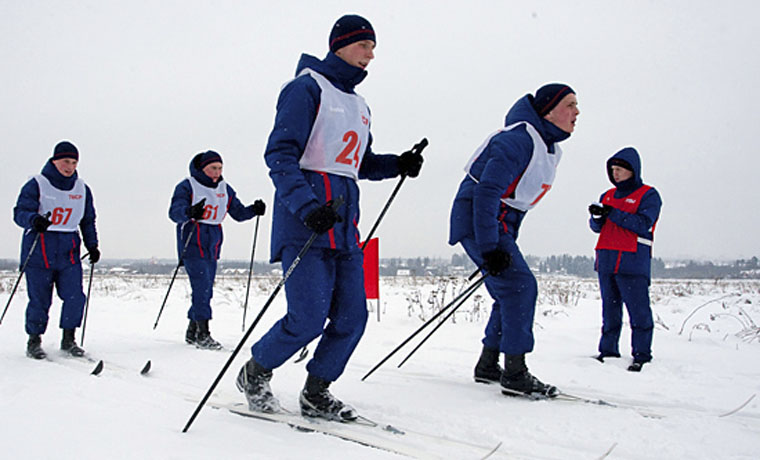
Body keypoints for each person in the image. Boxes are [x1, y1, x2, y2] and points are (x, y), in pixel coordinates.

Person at [237, 14, 424, 421]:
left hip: (344, 229)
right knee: (307, 318)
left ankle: (317, 391)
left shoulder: (359, 104)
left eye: (373, 49)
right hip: (305, 224)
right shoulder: (305, 88)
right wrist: (306, 207)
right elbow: (280, 155)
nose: (371, 55)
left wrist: (398, 163)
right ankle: (255, 372)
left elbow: (361, 162)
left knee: (352, 317)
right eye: (364, 46)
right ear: (340, 44)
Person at [449, 84, 579, 397]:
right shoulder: (518, 140)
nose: (577, 113)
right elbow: (486, 193)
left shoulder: (547, 147)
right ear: (548, 110)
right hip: (480, 219)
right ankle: (516, 372)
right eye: (570, 105)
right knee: (521, 286)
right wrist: (491, 247)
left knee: (509, 290)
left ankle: (488, 364)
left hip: (500, 223)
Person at [168, 150, 266, 349]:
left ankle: (192, 329)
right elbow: (174, 213)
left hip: (213, 242)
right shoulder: (187, 186)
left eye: (220, 168)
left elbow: (237, 213)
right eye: (213, 168)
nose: (217, 172)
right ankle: (203, 333)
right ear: (202, 169)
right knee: (202, 287)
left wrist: (253, 210)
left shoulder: (225, 189)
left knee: (206, 289)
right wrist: (189, 212)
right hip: (192, 240)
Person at [13, 140, 100, 359]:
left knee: (75, 296)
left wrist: (93, 245)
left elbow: (88, 220)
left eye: (73, 162)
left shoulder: (82, 189)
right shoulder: (37, 183)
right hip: (40, 249)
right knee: (40, 299)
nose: (69, 166)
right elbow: (20, 212)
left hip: (68, 250)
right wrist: (34, 220)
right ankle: (34, 339)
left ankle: (69, 339)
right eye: (65, 161)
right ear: (55, 161)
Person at [588, 147, 662, 372]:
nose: (615, 174)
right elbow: (597, 228)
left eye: (619, 169)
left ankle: (642, 355)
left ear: (633, 170)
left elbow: (642, 223)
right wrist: (596, 217)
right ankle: (607, 351)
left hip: (632, 260)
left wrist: (612, 213)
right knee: (609, 311)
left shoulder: (648, 195)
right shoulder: (607, 195)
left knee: (638, 311)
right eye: (612, 170)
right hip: (607, 259)